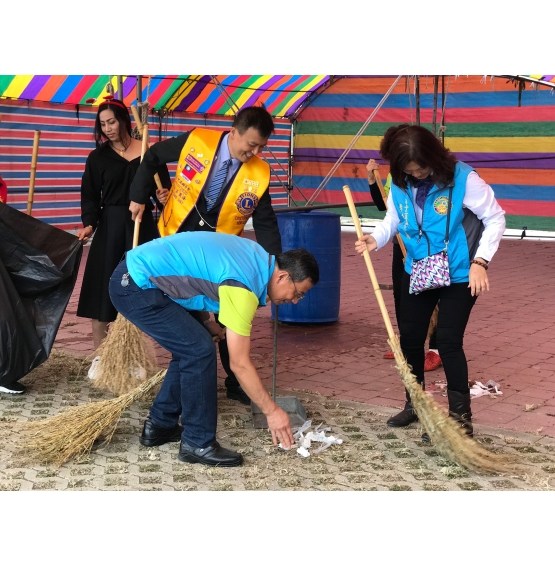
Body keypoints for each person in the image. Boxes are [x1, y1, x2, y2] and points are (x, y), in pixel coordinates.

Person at [108, 231, 319, 466]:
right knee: (199, 351)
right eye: (299, 293)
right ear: (282, 277)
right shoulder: (245, 286)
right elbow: (239, 364)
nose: (296, 300)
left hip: (138, 276)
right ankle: (197, 443)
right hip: (135, 284)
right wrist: (272, 411)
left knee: (192, 348)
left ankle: (160, 426)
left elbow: (198, 272)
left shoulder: (258, 258)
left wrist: (208, 322)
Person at [355, 125, 506, 440]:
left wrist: (481, 262)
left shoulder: (465, 179)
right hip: (419, 268)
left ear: (434, 157)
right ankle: (416, 404)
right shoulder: (399, 182)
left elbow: (495, 218)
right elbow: (394, 220)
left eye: (422, 168)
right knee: (410, 339)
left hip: (460, 272)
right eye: (410, 171)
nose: (418, 175)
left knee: (449, 342)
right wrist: (376, 238)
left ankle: (460, 419)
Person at [127, 105, 282, 406]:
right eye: (251, 145)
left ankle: (237, 383)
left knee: (229, 313)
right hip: (177, 240)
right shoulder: (197, 141)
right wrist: (138, 196)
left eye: (261, 147)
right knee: (184, 314)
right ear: (234, 132)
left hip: (220, 252)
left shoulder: (259, 172)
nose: (255, 152)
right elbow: (154, 156)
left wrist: (275, 263)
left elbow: (265, 219)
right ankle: (188, 377)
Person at [75, 97, 171, 357]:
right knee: (102, 291)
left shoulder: (147, 153)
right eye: (103, 124)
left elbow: (163, 193)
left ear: (124, 121)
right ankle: (101, 358)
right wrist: (89, 225)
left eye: (112, 122)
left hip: (142, 226)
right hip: (111, 227)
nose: (108, 128)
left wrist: (163, 198)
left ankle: (136, 356)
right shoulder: (97, 158)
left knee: (142, 288)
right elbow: (90, 196)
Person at [367, 155, 442, 373]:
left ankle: (436, 350)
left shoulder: (432, 172)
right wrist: (372, 181)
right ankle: (407, 342)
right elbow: (387, 208)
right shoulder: (395, 174)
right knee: (402, 292)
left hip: (430, 245)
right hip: (402, 243)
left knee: (434, 295)